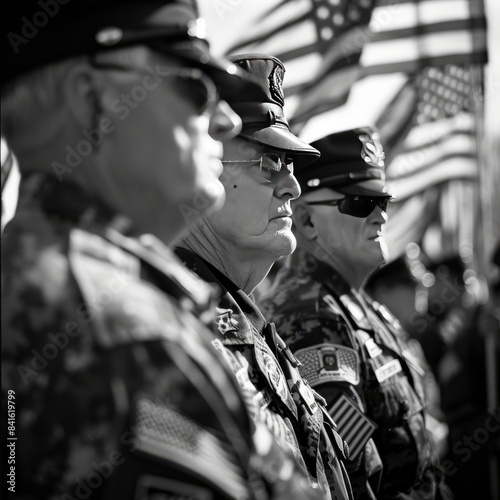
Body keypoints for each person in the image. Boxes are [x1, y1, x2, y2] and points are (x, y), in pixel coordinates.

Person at [1, 2, 318, 499]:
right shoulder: (122, 335)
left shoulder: (55, 284)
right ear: (89, 98)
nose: (226, 121)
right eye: (194, 87)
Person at [176, 54, 354, 500]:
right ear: (206, 159)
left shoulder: (247, 322)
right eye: (269, 162)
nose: (292, 186)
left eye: (291, 165)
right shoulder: (178, 323)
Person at [261, 128, 453, 499]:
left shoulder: (359, 307)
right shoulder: (313, 315)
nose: (380, 215)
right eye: (360, 202)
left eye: (382, 201)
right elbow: (353, 472)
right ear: (307, 222)